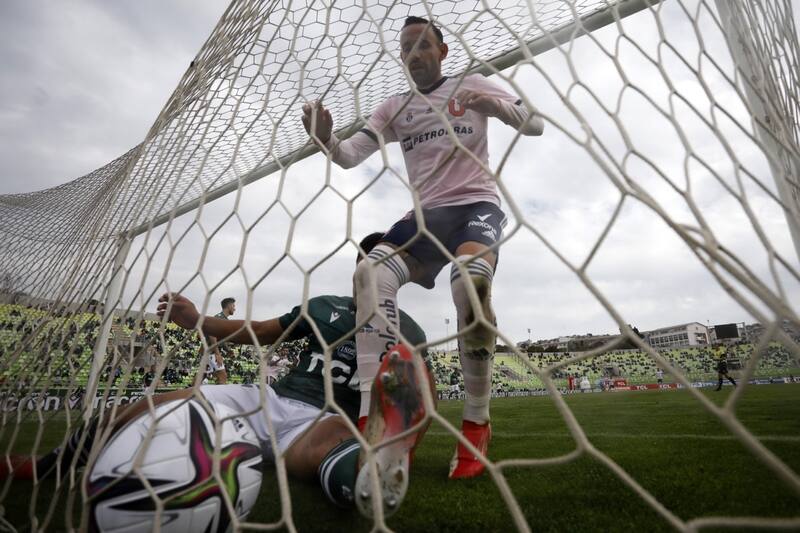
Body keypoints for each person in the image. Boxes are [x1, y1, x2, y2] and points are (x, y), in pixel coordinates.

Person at [2, 234, 432, 517]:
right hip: (267, 398)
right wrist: (197, 321)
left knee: (329, 453)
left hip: (325, 417)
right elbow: (261, 331)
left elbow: (418, 394)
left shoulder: (411, 333)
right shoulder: (324, 306)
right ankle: (48, 464)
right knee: (151, 405)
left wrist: (409, 423)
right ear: (359, 266)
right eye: (369, 259)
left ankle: (372, 473)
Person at [301, 15, 543, 480]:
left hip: (475, 207)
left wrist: (492, 105)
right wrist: (325, 138)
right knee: (369, 273)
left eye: (422, 45)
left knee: (470, 286)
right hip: (425, 218)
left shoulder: (471, 83)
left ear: (442, 51)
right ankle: (377, 418)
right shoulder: (394, 107)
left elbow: (534, 124)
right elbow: (348, 157)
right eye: (406, 48)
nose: (413, 54)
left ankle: (476, 423)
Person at [204, 297, 236, 384]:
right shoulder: (220, 318)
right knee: (223, 376)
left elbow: (220, 339)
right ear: (229, 306)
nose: (235, 308)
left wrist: (228, 350)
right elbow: (212, 335)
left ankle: (190, 391)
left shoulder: (224, 319)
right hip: (211, 352)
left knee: (201, 377)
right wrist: (217, 354)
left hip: (208, 352)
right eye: (233, 306)